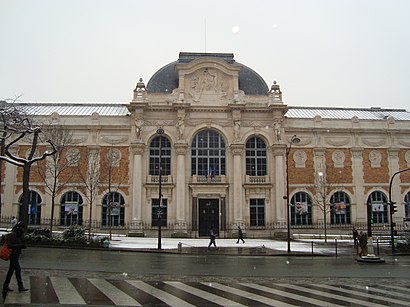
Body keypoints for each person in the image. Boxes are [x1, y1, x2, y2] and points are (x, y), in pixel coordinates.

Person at [3, 221, 28, 293]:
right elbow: (9, 245)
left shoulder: (19, 234)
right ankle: (20, 286)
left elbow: (21, 242)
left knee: (11, 271)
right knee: (18, 270)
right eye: (22, 228)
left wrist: (22, 245)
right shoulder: (13, 234)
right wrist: (20, 246)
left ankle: (5, 285)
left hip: (16, 255)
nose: (23, 230)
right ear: (19, 228)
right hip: (13, 255)